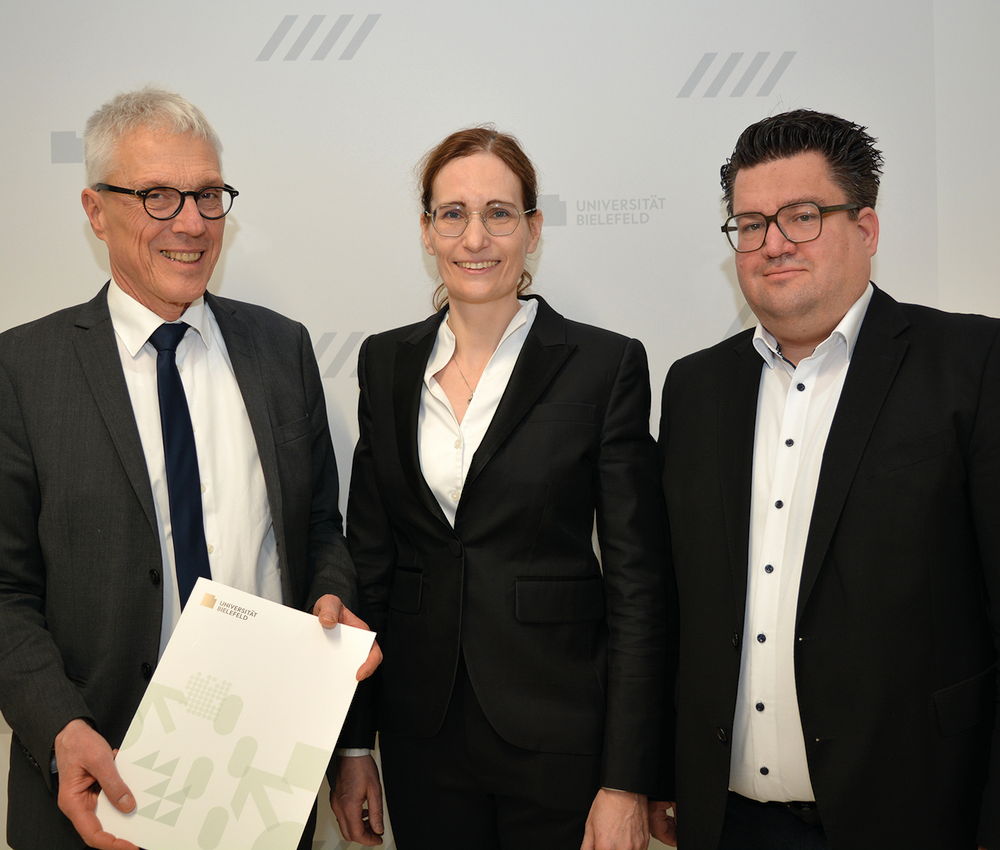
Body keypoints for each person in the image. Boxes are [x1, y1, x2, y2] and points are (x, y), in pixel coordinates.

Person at [0, 88, 380, 850]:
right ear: (95, 208)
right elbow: (6, 590)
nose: (191, 222)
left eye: (208, 195)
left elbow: (316, 531)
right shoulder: (22, 368)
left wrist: (332, 597)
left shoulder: (283, 349)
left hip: (261, 780)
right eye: (158, 196)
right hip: (93, 784)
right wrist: (60, 729)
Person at [649, 108, 998, 850]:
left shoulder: (970, 364)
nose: (773, 243)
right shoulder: (694, 389)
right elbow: (674, 604)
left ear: (865, 230)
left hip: (920, 814)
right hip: (729, 822)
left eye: (801, 216)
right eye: (750, 224)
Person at [329, 127, 669, 850]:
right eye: (452, 213)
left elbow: (638, 585)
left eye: (499, 213)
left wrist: (626, 779)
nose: (474, 236)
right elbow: (371, 561)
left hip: (560, 735)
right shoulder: (385, 362)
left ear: (533, 229)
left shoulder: (604, 367)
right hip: (422, 735)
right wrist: (355, 748)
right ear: (426, 230)